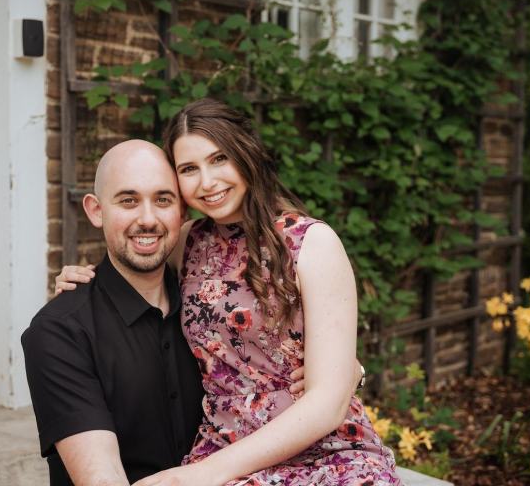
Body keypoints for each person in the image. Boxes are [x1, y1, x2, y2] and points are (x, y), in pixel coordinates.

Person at [56, 99, 400, 485]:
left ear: (246, 153)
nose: (207, 182)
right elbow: (132, 263)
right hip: (223, 443)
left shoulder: (311, 243)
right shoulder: (186, 243)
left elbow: (328, 404)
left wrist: (194, 476)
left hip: (323, 450)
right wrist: (83, 280)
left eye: (219, 159)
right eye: (189, 169)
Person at [22, 140, 323, 485]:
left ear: (182, 211)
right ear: (95, 210)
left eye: (163, 200)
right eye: (128, 201)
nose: (147, 219)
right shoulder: (59, 333)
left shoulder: (209, 308)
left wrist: (344, 371)